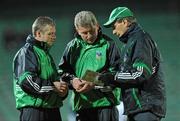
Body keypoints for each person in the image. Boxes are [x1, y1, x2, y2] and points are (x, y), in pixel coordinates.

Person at [98, 7, 166, 121]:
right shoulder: (130, 43)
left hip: (145, 108)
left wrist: (112, 77)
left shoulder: (140, 39)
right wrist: (111, 83)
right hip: (137, 108)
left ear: (124, 22)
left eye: (113, 26)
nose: (113, 32)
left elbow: (140, 74)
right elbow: (128, 76)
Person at [58, 11, 121, 121]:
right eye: (84, 33)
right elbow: (62, 73)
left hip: (105, 105)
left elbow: (117, 74)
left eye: (92, 31)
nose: (89, 36)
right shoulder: (72, 47)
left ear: (97, 25)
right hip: (82, 106)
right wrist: (73, 80)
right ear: (77, 30)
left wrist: (94, 80)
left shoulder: (109, 45)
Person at [12, 16, 68, 121]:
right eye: (50, 34)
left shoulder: (46, 55)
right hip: (35, 112)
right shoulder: (27, 52)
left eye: (54, 33)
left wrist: (62, 92)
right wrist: (52, 86)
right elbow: (26, 81)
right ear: (38, 34)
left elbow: (55, 82)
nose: (54, 37)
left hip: (52, 110)